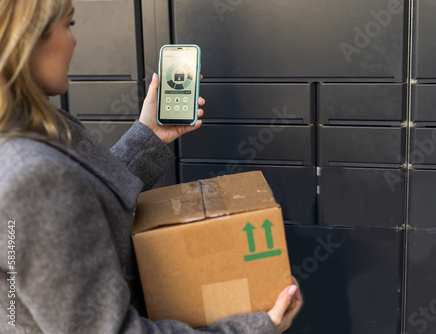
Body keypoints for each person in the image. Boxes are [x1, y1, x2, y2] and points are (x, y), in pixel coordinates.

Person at [0, 0, 303, 333]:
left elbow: (88, 200)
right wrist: (255, 327)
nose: (74, 41)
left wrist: (150, 135)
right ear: (26, 38)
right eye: (68, 24)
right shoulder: (32, 176)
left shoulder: (29, 129)